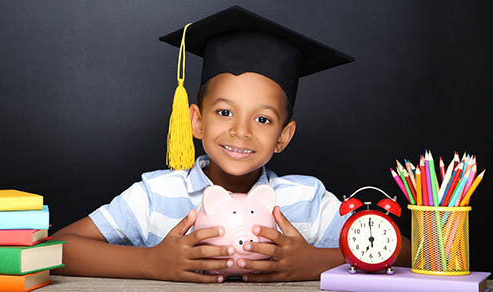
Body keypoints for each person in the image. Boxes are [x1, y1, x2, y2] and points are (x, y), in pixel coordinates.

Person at [51, 5, 411, 283]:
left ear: (284, 136)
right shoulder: (155, 195)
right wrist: (151, 263)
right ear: (195, 120)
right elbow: (55, 250)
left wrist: (313, 262)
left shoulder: (306, 201)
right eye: (224, 112)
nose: (241, 131)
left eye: (263, 119)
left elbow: (408, 252)